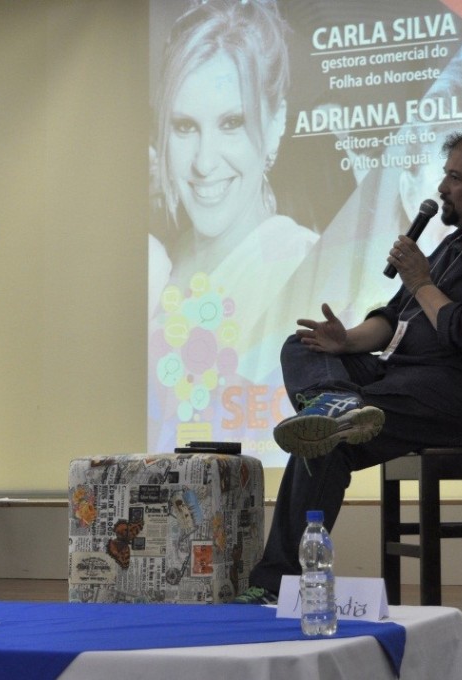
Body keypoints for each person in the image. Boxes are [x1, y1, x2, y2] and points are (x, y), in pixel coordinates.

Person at [235, 127, 462, 604]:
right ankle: (337, 403)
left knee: (327, 440)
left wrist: (421, 278)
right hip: (413, 378)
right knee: (303, 347)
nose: (442, 188)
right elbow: (393, 319)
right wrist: (346, 341)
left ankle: (274, 586)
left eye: (455, 177)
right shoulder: (454, 244)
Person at [148, 0, 318, 452]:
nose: (204, 162)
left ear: (277, 121)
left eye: (231, 123)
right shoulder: (154, 266)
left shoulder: (305, 264)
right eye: (184, 126)